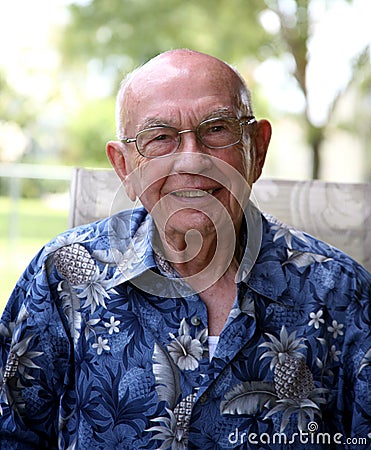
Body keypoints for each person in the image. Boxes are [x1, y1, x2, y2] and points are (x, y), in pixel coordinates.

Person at [0, 49, 370, 450]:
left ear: (257, 150)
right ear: (125, 167)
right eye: (159, 138)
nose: (191, 159)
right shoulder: (65, 274)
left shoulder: (342, 292)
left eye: (217, 129)